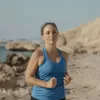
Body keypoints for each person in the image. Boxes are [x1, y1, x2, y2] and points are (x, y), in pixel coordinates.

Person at [25, 22, 72, 100]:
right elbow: (28, 78)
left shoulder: (64, 55)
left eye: (54, 32)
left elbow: (64, 74)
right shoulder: (38, 54)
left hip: (60, 97)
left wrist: (67, 79)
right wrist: (46, 84)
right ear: (42, 37)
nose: (51, 35)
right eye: (47, 33)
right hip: (40, 98)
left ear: (57, 34)